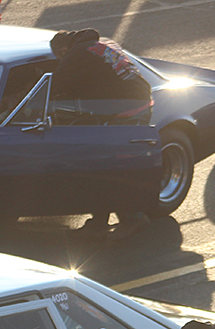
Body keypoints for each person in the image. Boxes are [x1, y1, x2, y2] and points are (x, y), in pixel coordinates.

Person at [50, 29, 154, 241]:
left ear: (62, 50)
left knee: (111, 166)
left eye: (59, 57)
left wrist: (20, 98)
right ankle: (98, 223)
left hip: (128, 109)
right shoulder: (96, 46)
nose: (61, 60)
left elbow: (53, 86)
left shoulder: (76, 54)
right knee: (102, 165)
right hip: (135, 103)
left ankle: (134, 218)